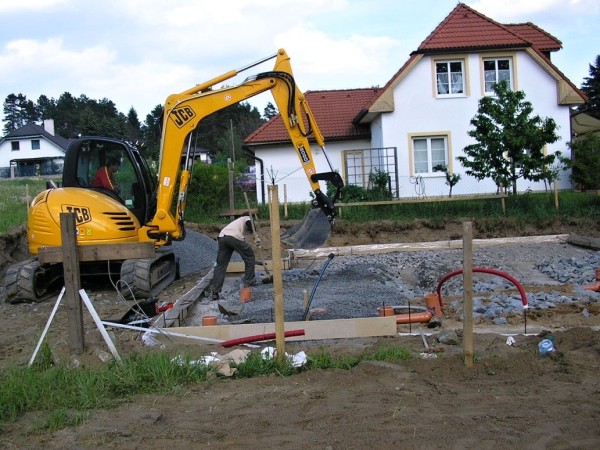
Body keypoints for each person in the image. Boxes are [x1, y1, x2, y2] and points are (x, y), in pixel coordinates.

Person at [211, 216, 257, 300]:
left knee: (221, 265)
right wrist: (254, 232)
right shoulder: (247, 218)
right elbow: (249, 223)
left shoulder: (236, 223)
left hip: (222, 238)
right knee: (250, 256)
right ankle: (249, 282)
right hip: (233, 237)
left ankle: (215, 292)